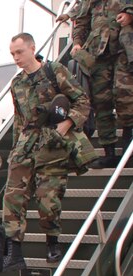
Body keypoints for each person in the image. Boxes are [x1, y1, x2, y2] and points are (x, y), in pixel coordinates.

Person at [3, 32, 94, 271]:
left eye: (19, 52)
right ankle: (14, 251)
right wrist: (15, 148)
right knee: (13, 197)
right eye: (12, 54)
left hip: (52, 144)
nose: (16, 58)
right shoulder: (17, 83)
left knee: (48, 199)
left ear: (32, 48)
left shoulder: (55, 71)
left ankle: (52, 244)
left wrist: (67, 124)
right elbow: (19, 118)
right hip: (26, 143)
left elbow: (82, 101)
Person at [71, 1, 133, 168]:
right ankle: (110, 153)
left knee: (125, 98)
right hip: (98, 54)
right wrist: (77, 42)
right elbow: (82, 20)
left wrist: (129, 15)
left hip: (124, 50)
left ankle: (128, 149)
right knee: (102, 103)